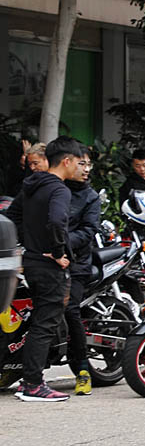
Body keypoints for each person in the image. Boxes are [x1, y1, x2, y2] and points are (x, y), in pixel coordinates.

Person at [6, 136, 82, 401]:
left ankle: (29, 381)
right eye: (78, 163)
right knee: (44, 323)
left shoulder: (31, 185)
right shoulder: (59, 189)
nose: (80, 169)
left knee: (37, 321)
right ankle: (33, 385)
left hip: (30, 262)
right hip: (49, 266)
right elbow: (57, 221)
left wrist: (27, 245)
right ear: (66, 161)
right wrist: (59, 252)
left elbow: (12, 217)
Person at [63, 146, 100, 395]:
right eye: (82, 164)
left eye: (89, 165)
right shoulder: (55, 190)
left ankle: (83, 369)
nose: (86, 170)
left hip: (76, 263)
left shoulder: (91, 197)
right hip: (48, 259)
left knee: (70, 310)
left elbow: (88, 231)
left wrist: (60, 243)